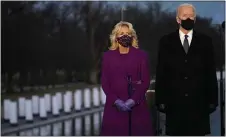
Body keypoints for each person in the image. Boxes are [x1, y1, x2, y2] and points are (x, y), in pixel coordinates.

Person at [155, 3, 218, 136]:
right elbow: (161, 72)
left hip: (198, 104)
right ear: (178, 19)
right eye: (185, 15)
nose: (188, 19)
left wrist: (213, 100)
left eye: (191, 16)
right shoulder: (166, 41)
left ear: (195, 19)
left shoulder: (205, 41)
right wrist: (160, 100)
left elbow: (210, 72)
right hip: (174, 104)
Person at [100, 21, 154, 136]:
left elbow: (145, 82)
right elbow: (105, 83)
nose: (125, 36)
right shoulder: (107, 56)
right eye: (122, 33)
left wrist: (132, 101)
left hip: (137, 108)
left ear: (132, 36)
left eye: (128, 33)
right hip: (114, 109)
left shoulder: (142, 56)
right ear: (116, 37)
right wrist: (116, 101)